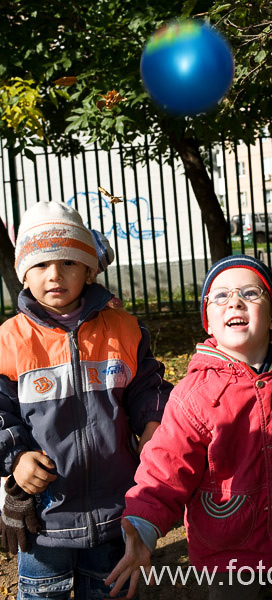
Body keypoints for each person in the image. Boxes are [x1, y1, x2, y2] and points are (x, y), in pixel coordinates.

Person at [105, 254, 272, 600]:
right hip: (229, 544)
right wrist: (144, 523)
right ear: (208, 322)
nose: (235, 301)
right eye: (221, 295)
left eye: (251, 293)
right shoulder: (194, 396)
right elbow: (165, 468)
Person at [0, 201, 172, 599]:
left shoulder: (124, 329)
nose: (55, 275)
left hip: (116, 511)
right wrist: (16, 457)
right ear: (24, 274)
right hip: (45, 520)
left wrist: (153, 425)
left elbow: (148, 385)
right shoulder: (9, 340)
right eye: (40, 265)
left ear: (89, 269)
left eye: (68, 263)